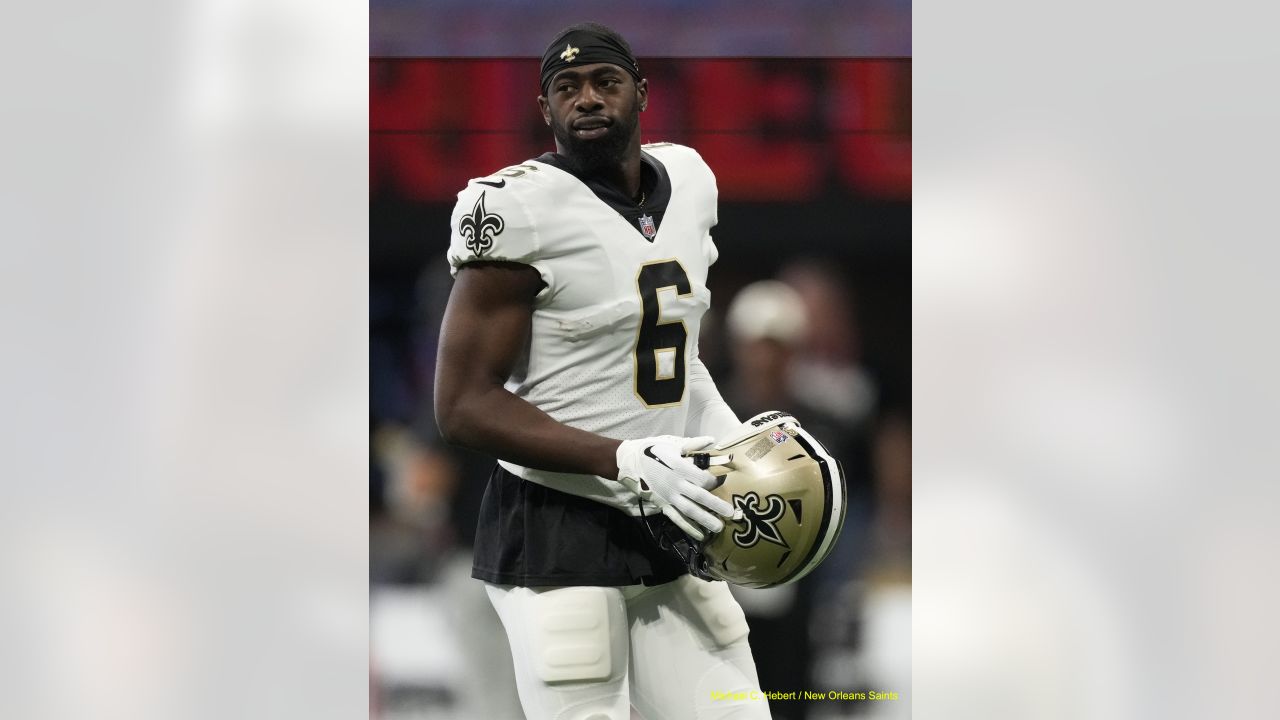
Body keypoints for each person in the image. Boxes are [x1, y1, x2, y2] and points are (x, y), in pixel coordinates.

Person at [433, 22, 772, 720]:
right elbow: (461, 404)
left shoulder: (690, 180)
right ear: (545, 109)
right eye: (567, 87)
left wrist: (736, 443)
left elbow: (675, 356)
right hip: (557, 524)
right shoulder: (517, 208)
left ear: (641, 94)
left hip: (669, 515)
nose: (587, 98)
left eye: (604, 82)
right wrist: (623, 458)